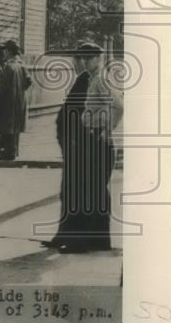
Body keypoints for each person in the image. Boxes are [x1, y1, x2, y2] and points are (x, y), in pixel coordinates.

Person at [47, 41, 123, 253]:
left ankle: (83, 242)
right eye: (83, 57)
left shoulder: (101, 80)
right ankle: (96, 241)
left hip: (100, 143)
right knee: (93, 193)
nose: (85, 61)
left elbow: (119, 106)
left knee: (93, 193)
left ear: (99, 58)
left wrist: (106, 129)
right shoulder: (91, 79)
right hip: (92, 141)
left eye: (89, 57)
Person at [0, 39, 31, 160]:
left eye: (5, 50)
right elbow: (29, 81)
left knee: (7, 126)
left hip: (8, 101)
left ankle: (8, 152)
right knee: (15, 126)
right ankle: (14, 151)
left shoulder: (8, 67)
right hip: (19, 100)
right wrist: (19, 91)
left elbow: (1, 88)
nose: (3, 53)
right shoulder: (21, 64)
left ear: (9, 51)